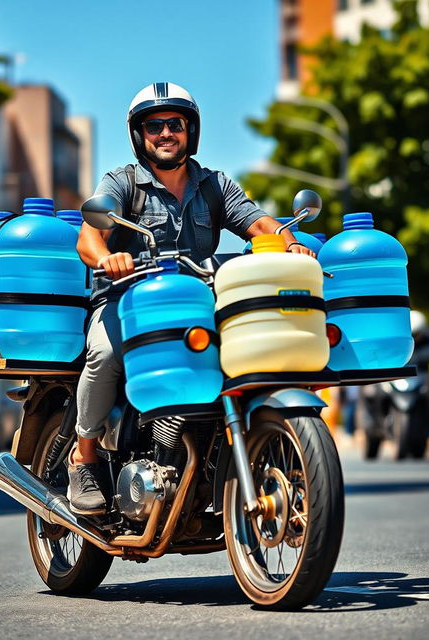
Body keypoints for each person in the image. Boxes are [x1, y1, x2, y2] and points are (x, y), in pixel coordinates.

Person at [70, 82, 315, 514]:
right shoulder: (122, 183)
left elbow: (261, 225)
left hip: (195, 303)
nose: (165, 133)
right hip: (126, 302)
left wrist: (290, 243)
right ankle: (84, 456)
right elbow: (89, 239)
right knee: (106, 353)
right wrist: (110, 258)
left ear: (190, 131)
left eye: (175, 124)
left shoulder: (214, 185)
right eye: (154, 125)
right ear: (139, 135)